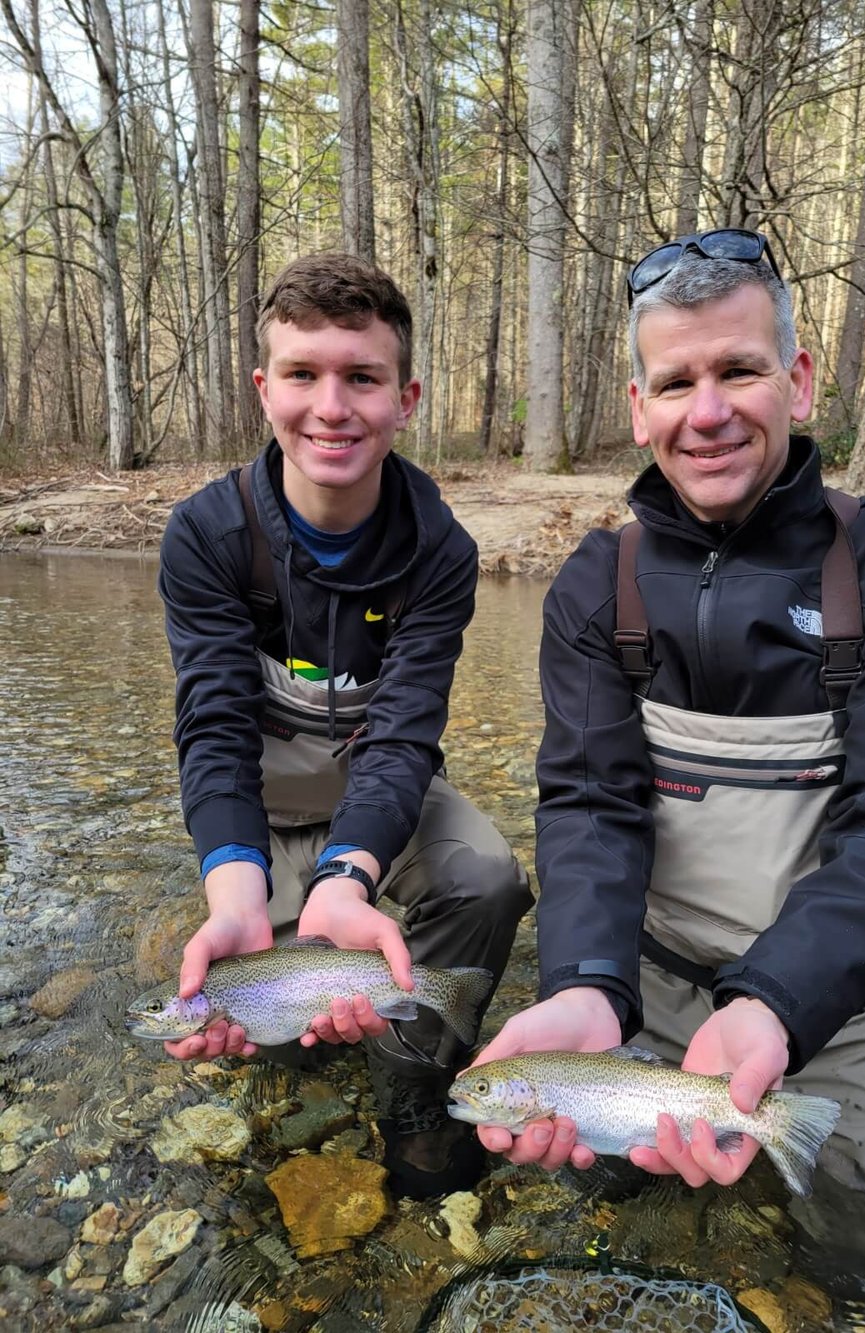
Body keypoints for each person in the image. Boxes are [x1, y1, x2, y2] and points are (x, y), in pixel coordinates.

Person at [470, 228, 865, 1295]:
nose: (706, 411)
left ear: (796, 380)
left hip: (849, 1005)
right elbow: (586, 802)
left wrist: (768, 1004)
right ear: (637, 406)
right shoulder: (594, 583)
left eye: (738, 370)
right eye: (675, 381)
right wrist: (582, 987)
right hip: (651, 991)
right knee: (601, 1219)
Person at [157, 250, 532, 1197]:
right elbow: (213, 727)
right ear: (262, 388)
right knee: (268, 1021)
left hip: (383, 786)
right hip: (264, 794)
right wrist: (235, 888)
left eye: (361, 377)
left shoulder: (440, 549)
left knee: (487, 879)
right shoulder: (207, 535)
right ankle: (299, 1090)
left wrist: (348, 874)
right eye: (303, 374)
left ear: (404, 396)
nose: (332, 406)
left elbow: (406, 732)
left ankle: (419, 1076)